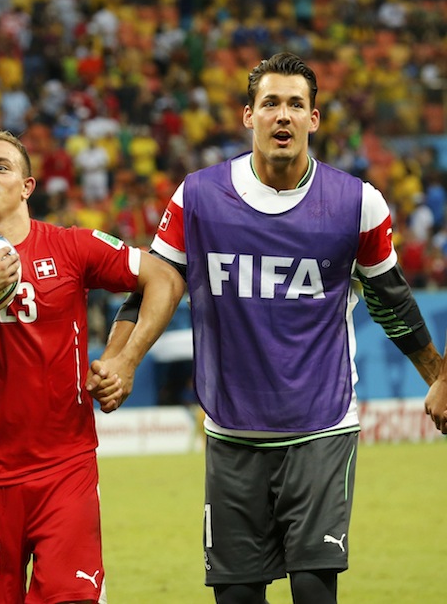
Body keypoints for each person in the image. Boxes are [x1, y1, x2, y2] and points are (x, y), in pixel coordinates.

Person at [89, 52, 442, 604]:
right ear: (247, 115)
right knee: (235, 596)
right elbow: (153, 286)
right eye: (271, 103)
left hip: (321, 424)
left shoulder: (356, 204)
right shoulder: (199, 196)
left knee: (312, 587)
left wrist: (437, 375)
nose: (283, 116)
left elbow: (391, 298)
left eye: (296, 105)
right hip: (233, 430)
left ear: (314, 119)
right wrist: (121, 359)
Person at [0, 129, 183, 603]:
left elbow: (165, 278)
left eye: (0, 166)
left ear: (27, 186)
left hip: (65, 469)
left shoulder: (70, 247)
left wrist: (123, 359)